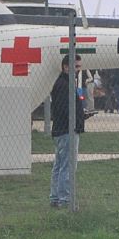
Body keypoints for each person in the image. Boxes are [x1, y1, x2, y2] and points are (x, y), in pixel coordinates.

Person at [48, 58, 85, 208]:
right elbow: (65, 109)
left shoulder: (62, 83)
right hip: (66, 130)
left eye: (79, 66)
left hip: (61, 129)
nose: (78, 69)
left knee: (59, 164)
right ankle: (65, 199)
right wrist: (77, 118)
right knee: (67, 165)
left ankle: (55, 197)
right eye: (75, 66)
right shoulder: (65, 85)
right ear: (65, 67)